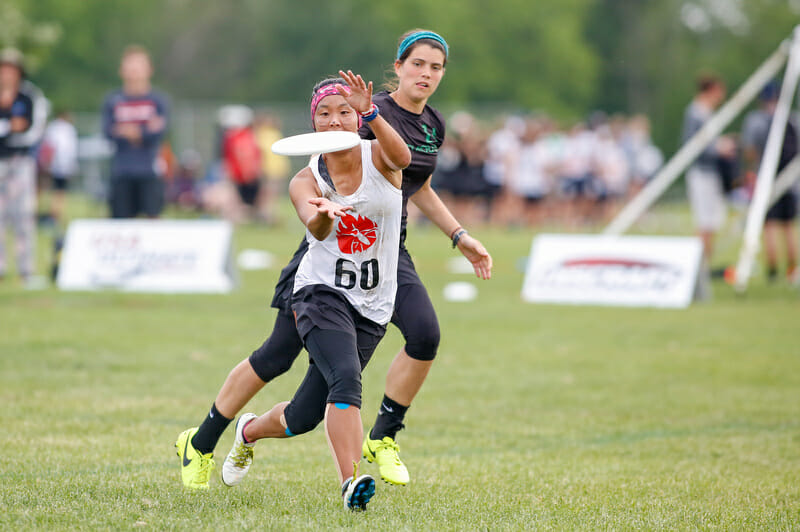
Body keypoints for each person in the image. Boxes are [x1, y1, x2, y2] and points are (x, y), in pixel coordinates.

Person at [176, 28, 493, 491]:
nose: (426, 73)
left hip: (385, 252)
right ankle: (202, 442)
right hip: (326, 259)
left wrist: (458, 234)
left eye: (436, 66)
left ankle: (380, 437)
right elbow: (327, 192)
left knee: (415, 340)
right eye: (418, 64)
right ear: (398, 66)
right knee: (277, 356)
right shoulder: (366, 112)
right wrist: (323, 216)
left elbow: (415, 181)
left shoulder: (429, 126)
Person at [178, 71, 410, 510]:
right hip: (320, 292)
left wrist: (373, 113)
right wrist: (324, 214)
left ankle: (246, 431)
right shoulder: (305, 180)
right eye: (324, 113)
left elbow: (404, 156)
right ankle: (350, 485)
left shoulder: (378, 155)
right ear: (312, 123)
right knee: (343, 377)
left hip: (374, 304)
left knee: (303, 416)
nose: (335, 120)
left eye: (344, 111)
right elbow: (316, 227)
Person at [740, 80, 799, 283]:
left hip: (766, 180)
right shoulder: (793, 119)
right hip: (790, 181)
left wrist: (751, 171)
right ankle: (792, 270)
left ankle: (773, 270)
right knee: (789, 226)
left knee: (770, 225)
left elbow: (749, 151)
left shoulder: (756, 120)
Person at [101, 45, 169, 219]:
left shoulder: (157, 100)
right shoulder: (113, 100)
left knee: (152, 220)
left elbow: (159, 132)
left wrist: (128, 131)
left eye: (138, 68)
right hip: (121, 170)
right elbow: (108, 132)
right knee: (120, 223)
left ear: (149, 70)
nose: (134, 73)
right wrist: (143, 130)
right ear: (122, 71)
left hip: (149, 170)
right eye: (130, 68)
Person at [0, 48, 48, 283]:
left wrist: (8, 130)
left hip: (21, 162)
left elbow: (32, 131)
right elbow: (15, 126)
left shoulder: (30, 96)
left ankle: (25, 269)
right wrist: (10, 125)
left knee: (24, 215)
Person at [681, 74, 737, 266]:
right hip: (702, 172)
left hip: (712, 172)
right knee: (704, 220)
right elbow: (692, 145)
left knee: (712, 221)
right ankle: (699, 264)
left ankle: (705, 263)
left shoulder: (706, 113)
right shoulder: (695, 113)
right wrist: (718, 148)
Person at [38, 109, 79, 226]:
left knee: (48, 190)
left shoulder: (53, 127)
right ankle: (53, 215)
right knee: (58, 191)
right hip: (60, 165)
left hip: (52, 164)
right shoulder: (67, 129)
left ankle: (48, 215)